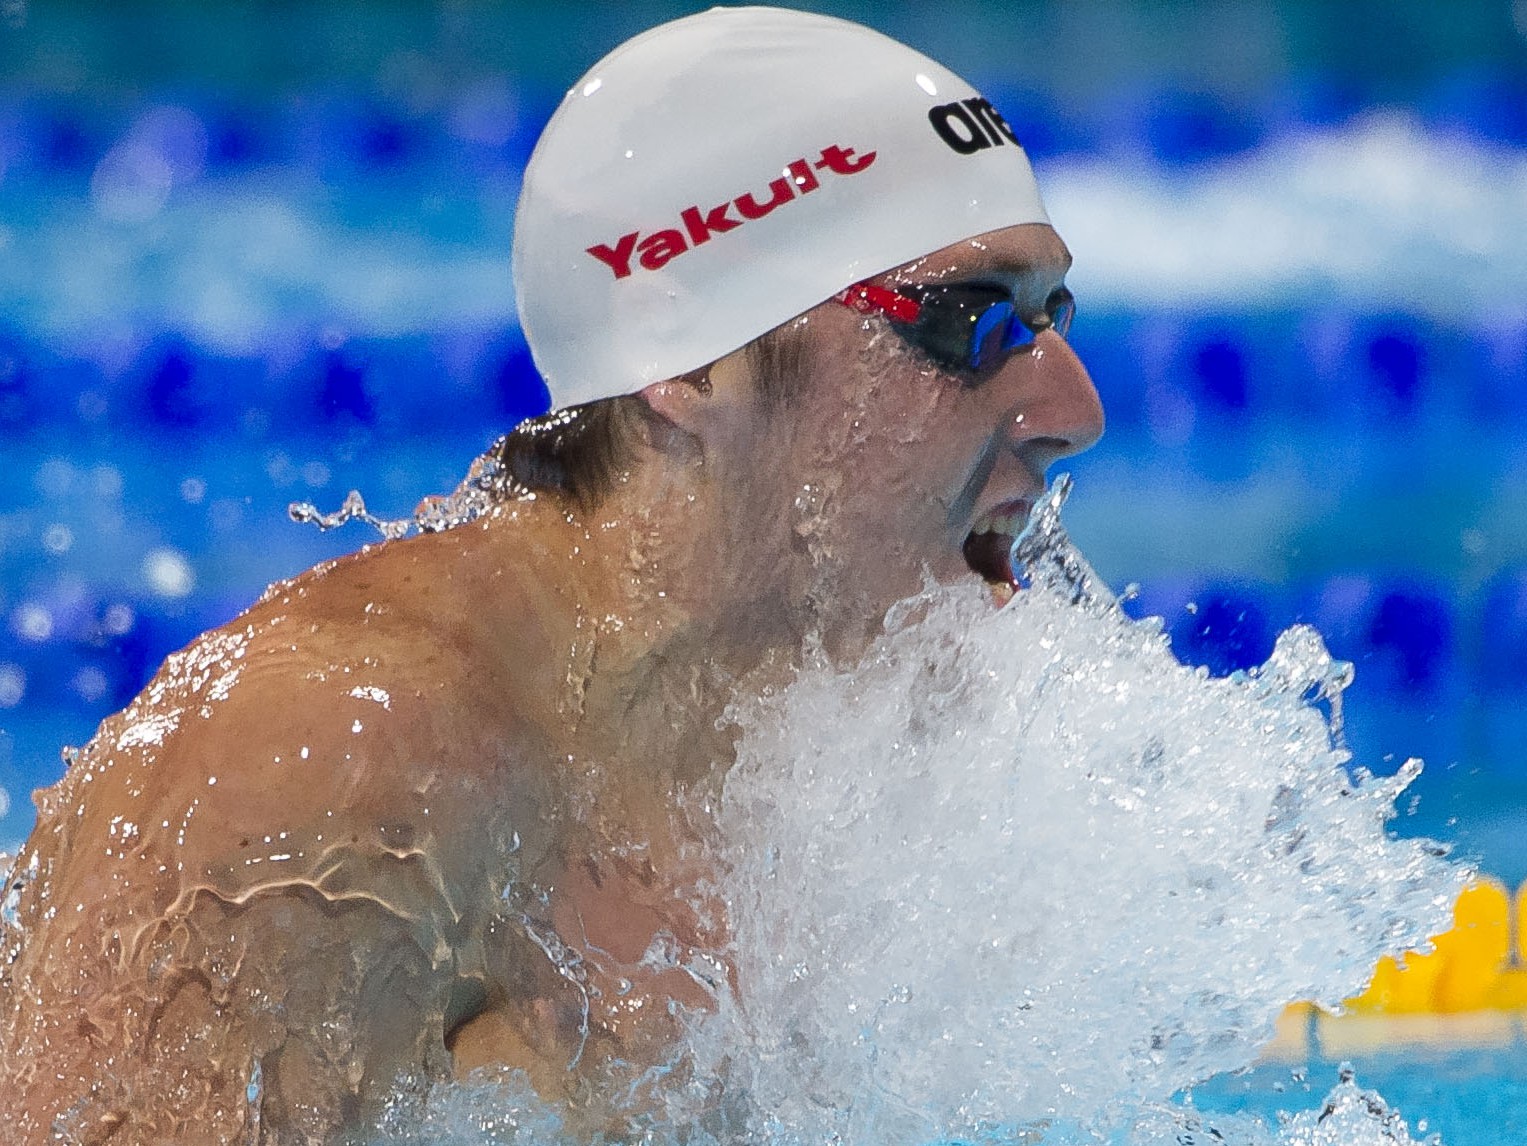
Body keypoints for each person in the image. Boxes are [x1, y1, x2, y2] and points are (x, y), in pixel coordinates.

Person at [0, 8, 1103, 1143]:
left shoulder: (846, 733)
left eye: (1051, 316)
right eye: (974, 323)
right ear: (695, 362)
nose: (1075, 410)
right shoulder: (327, 768)